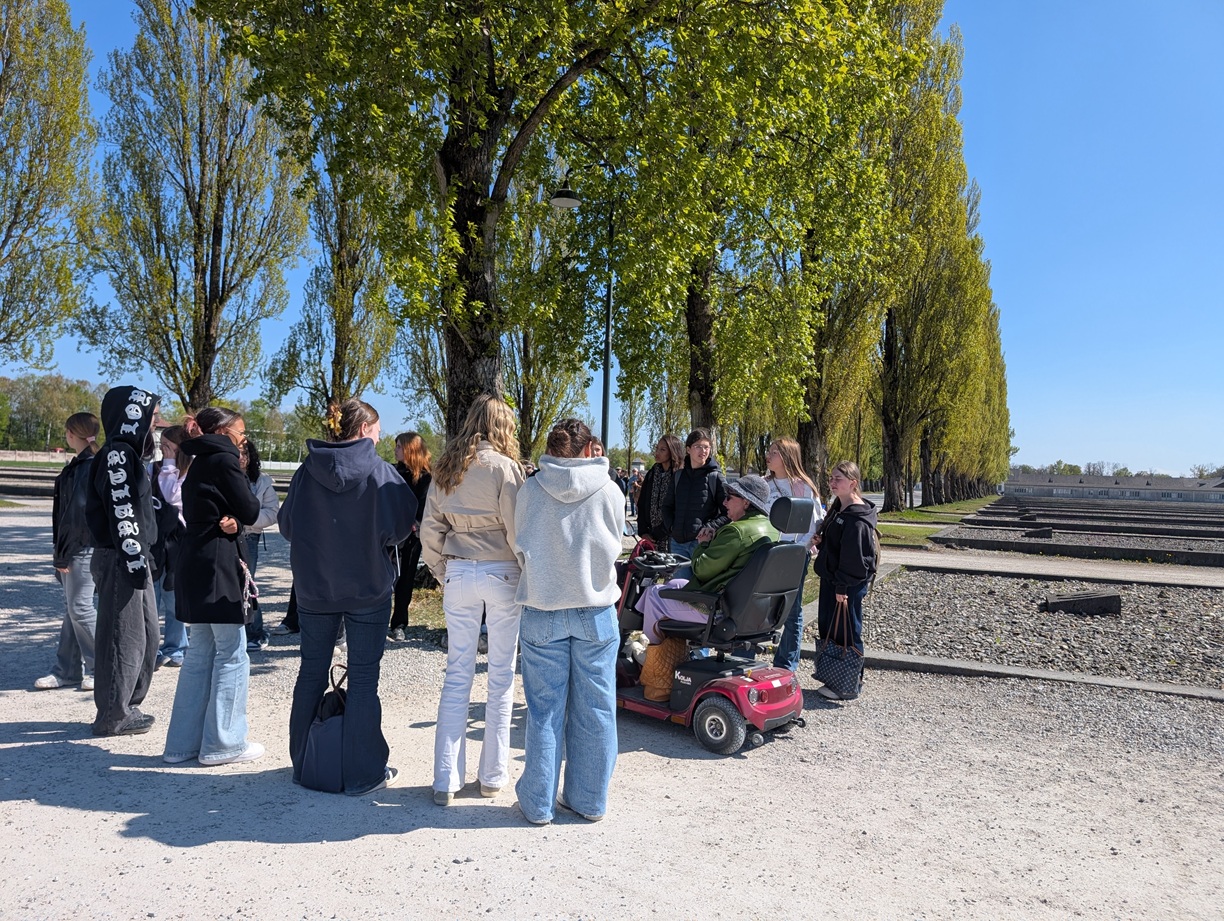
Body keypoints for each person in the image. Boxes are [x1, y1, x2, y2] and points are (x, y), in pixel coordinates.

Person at [280, 399, 415, 794]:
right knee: (363, 678)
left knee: (310, 671)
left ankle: (305, 764)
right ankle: (362, 774)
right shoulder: (380, 471)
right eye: (377, 430)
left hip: (314, 589)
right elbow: (401, 528)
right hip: (367, 587)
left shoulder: (306, 471)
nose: (380, 438)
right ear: (362, 430)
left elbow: (287, 526)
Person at [513, 418, 624, 825]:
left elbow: (519, 543)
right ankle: (589, 799)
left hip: (544, 605)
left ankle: (538, 804)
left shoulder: (530, 490)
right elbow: (616, 543)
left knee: (544, 710)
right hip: (594, 608)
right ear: (588, 448)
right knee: (596, 708)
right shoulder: (610, 490)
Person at [421, 394, 524, 806]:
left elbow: (430, 529)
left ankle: (445, 779)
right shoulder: (505, 468)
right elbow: (516, 530)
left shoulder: (447, 466)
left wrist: (442, 570)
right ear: (502, 425)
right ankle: (492, 776)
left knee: (456, 674)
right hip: (501, 569)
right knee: (501, 676)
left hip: (460, 569)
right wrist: (524, 570)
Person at [163, 407, 263, 765]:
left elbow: (209, 509)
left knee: (199, 654)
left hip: (194, 560)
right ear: (222, 432)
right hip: (219, 565)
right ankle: (224, 743)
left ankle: (182, 745)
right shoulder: (224, 459)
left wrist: (231, 518)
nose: (243, 439)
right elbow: (251, 510)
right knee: (232, 653)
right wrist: (239, 515)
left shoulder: (195, 459)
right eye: (240, 432)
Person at [84, 385, 161, 736]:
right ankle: (113, 714)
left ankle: (128, 704)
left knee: (146, 635)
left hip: (135, 557)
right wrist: (133, 556)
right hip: (122, 558)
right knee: (122, 638)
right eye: (151, 415)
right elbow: (121, 510)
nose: (155, 422)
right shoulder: (117, 455)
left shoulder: (130, 456)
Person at [636, 474, 778, 645]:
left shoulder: (736, 531)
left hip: (718, 610)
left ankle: (653, 653)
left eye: (729, 497)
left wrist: (703, 544)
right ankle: (659, 641)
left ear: (746, 502)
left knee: (653, 594)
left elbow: (701, 570)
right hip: (749, 609)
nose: (724, 503)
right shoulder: (771, 529)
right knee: (674, 583)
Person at [36, 413, 102, 692]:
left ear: (71, 434)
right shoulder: (79, 466)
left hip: (82, 546)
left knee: (80, 608)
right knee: (73, 610)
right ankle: (67, 670)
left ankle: (101, 667)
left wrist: (63, 552)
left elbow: (77, 516)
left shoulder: (87, 468)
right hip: (76, 546)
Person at [812, 460, 878, 701]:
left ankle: (849, 684)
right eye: (831, 478)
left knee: (847, 632)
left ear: (853, 483)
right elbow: (838, 546)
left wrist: (842, 586)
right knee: (832, 629)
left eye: (838, 479)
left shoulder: (856, 517)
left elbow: (855, 558)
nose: (832, 482)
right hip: (833, 579)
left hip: (846, 585)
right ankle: (837, 679)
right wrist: (823, 542)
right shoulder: (839, 507)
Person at [764, 437, 822, 671]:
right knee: (759, 605)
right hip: (766, 553)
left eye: (774, 452)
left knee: (792, 609)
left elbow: (814, 522)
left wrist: (801, 550)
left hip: (793, 555)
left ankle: (786, 664)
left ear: (787, 456)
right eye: (769, 451)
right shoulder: (764, 484)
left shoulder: (803, 487)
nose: (768, 456)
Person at [388, 431, 432, 642]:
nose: (395, 450)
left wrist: (413, 523)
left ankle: (399, 623)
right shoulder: (391, 471)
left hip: (411, 536)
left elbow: (423, 507)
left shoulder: (425, 477)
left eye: (399, 446)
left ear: (410, 449)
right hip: (388, 533)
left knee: (405, 579)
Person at [663, 428, 728, 569]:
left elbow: (728, 511)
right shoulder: (678, 476)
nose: (703, 451)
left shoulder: (715, 477)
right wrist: (672, 527)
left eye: (706, 447)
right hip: (677, 544)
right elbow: (667, 506)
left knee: (699, 583)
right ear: (688, 449)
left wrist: (710, 527)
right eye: (698, 446)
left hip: (701, 544)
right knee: (680, 582)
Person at [153, 424, 190, 669]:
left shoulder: (190, 470)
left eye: (168, 445)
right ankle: (152, 647)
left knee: (173, 596)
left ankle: (176, 647)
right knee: (152, 595)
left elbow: (173, 498)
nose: (163, 449)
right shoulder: (153, 468)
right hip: (156, 538)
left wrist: (168, 464)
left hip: (179, 540)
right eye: (161, 444)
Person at [240, 438, 279, 652]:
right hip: (224, 536)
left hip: (249, 536)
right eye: (237, 453)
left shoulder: (262, 481)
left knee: (247, 584)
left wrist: (249, 519)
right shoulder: (223, 475)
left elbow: (272, 512)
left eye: (245, 453)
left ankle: (256, 631)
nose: (241, 457)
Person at [635, 434, 684, 549]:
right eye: (657, 448)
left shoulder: (680, 475)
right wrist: (643, 531)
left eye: (662, 450)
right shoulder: (652, 473)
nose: (657, 452)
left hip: (673, 538)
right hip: (651, 536)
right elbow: (642, 503)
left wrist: (661, 531)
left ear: (672, 451)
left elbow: (679, 509)